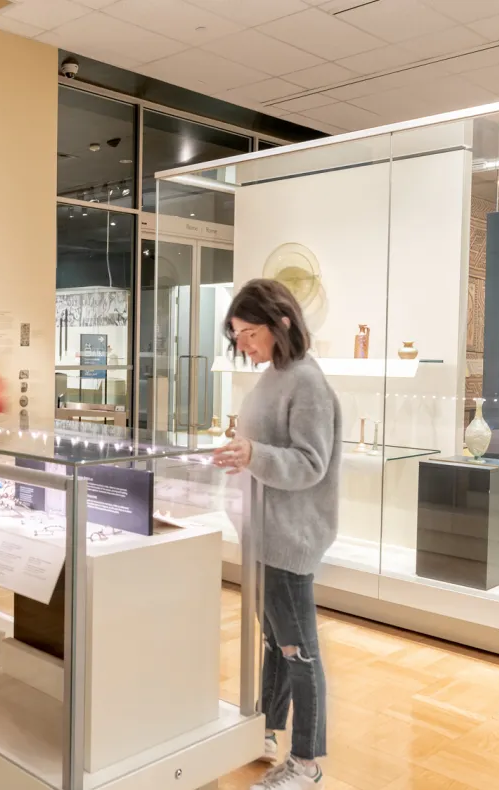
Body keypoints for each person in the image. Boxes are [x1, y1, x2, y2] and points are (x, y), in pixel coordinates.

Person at [211, 278, 340, 790]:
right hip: (265, 532)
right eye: (237, 335)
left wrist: (253, 455)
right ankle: (267, 729)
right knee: (277, 644)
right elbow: (265, 450)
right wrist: (243, 454)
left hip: (290, 537)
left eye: (248, 333)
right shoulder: (276, 376)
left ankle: (306, 762)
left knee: (297, 650)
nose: (243, 344)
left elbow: (311, 463)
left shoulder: (305, 381)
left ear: (280, 322)